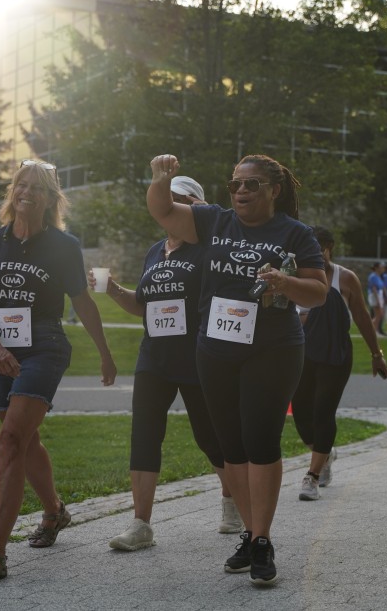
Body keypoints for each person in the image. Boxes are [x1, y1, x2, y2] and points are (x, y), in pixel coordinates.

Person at [147, 153, 327, 587]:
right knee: (230, 445)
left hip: (273, 349)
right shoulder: (213, 221)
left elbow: (319, 292)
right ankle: (251, 531)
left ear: (274, 190)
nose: (241, 191)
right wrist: (160, 178)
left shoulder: (295, 233)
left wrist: (285, 283)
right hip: (216, 349)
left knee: (260, 440)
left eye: (251, 184)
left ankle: (262, 541)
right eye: (235, 184)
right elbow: (163, 211)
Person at [0, 159, 118, 581]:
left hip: (43, 347)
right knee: (24, 442)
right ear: (13, 191)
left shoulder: (63, 246)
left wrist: (104, 352)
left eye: (37, 187)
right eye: (21, 184)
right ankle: (54, 512)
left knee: (10, 440)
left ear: (50, 199)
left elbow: (82, 302)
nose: (27, 192)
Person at [98, 176, 243, 552]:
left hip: (198, 357)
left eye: (179, 199)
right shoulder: (154, 252)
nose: (169, 205)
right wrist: (113, 289)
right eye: (166, 198)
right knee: (144, 434)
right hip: (154, 358)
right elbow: (142, 304)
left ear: (196, 206)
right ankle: (141, 524)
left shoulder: (208, 249)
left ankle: (233, 501)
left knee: (209, 436)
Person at [292, 226, 387, 502]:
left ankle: (312, 476)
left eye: (319, 250)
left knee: (323, 411)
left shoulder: (345, 278)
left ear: (329, 248)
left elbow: (362, 317)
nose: (314, 256)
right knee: (301, 416)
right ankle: (324, 453)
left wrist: (376, 354)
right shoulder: (293, 276)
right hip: (301, 354)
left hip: (335, 355)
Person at [367, 262, 386, 336]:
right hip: (375, 296)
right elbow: (374, 288)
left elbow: (381, 287)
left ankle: (375, 331)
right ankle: (370, 330)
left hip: (378, 296)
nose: (383, 269)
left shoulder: (378, 276)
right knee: (379, 314)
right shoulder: (373, 276)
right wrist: (378, 300)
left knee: (379, 315)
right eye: (381, 267)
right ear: (376, 268)